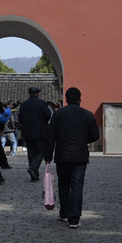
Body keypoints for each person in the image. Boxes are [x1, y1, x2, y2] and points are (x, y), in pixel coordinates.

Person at [44, 87, 100, 229]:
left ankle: (64, 213)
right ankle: (74, 219)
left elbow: (50, 136)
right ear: (80, 99)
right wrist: (83, 139)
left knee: (64, 184)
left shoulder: (58, 115)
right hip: (80, 155)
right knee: (77, 186)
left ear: (66, 99)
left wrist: (48, 156)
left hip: (62, 155)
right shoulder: (87, 115)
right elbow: (95, 135)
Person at [19, 86, 52, 181]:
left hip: (27, 132)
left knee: (31, 153)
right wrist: (43, 123)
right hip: (40, 131)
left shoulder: (24, 104)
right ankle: (33, 168)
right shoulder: (41, 103)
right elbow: (48, 115)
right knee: (42, 151)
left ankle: (34, 174)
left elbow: (20, 118)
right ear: (38, 94)